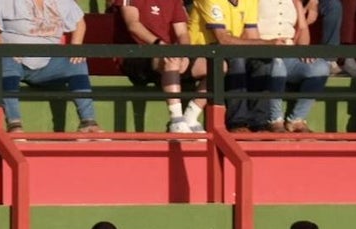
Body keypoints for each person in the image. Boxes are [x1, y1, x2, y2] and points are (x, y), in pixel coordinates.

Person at [0, 0, 103, 133]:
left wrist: (76, 46)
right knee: (5, 60)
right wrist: (0, 48)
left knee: (77, 61)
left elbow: (79, 22)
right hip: (14, 61)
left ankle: (88, 122)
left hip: (48, 64)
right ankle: (14, 125)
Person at [185, 0, 272, 132]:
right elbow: (223, 39)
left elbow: (251, 35)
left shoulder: (250, 1)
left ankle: (260, 123)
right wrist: (268, 43)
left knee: (263, 62)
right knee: (237, 60)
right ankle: (237, 123)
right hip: (204, 50)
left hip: (232, 49)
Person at [115, 0, 196, 133]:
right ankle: (176, 120)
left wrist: (186, 54)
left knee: (217, 66)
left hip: (166, 56)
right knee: (172, 61)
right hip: (134, 56)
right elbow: (133, 25)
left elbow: (182, 33)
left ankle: (191, 117)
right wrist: (161, 45)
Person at [258, 0, 330, 133]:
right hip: (262, 51)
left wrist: (303, 49)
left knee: (320, 67)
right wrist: (268, 44)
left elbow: (302, 35)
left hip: (289, 52)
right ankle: (275, 120)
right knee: (277, 64)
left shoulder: (294, 2)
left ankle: (296, 120)